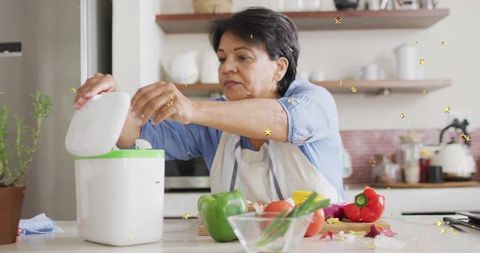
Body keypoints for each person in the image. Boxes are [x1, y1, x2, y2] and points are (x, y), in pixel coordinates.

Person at [74, 7, 344, 203]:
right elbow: (137, 137)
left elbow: (282, 121)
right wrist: (114, 102)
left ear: (279, 68)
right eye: (222, 58)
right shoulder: (211, 122)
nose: (227, 68)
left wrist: (193, 109)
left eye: (243, 57)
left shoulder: (315, 101)